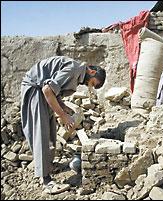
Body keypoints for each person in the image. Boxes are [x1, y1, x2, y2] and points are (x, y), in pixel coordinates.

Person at [20, 56, 106, 193]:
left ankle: (48, 165)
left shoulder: (76, 72)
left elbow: (54, 89)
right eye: (92, 83)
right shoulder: (74, 69)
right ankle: (46, 181)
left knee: (50, 131)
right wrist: (63, 115)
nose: (88, 85)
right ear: (92, 72)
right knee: (41, 132)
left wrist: (63, 107)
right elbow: (47, 90)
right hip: (35, 91)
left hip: (41, 91)